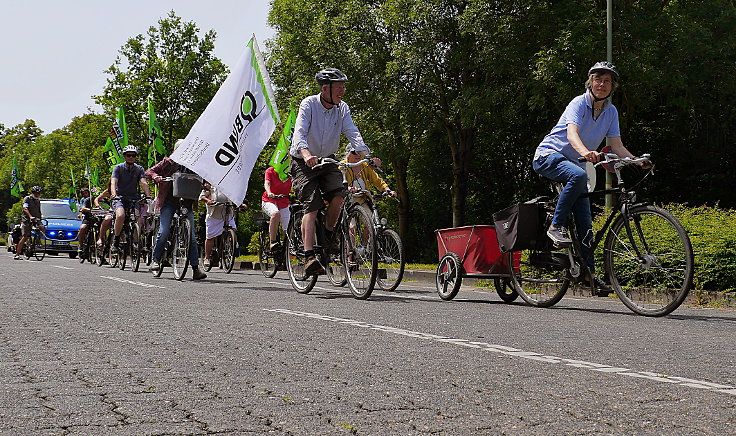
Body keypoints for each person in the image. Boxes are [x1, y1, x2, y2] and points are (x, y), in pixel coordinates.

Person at [532, 61, 641, 291]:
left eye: (607, 81)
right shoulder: (579, 103)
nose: (602, 84)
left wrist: (636, 160)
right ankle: (556, 227)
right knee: (579, 176)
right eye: (598, 79)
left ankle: (588, 274)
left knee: (585, 220)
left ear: (613, 86)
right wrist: (586, 152)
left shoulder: (611, 112)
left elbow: (616, 145)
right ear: (590, 83)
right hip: (548, 155)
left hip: (573, 164)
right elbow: (572, 134)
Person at [290, 67, 379, 275]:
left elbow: (352, 132)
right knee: (311, 206)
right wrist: (306, 154)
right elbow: (300, 134)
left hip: (327, 160)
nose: (342, 91)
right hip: (304, 161)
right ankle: (309, 255)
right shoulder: (309, 104)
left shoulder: (342, 108)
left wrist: (366, 155)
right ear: (325, 89)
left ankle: (329, 238)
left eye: (343, 87)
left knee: (340, 195)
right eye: (338, 87)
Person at [146, 139, 206, 280]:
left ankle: (196, 269)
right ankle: (155, 260)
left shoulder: (195, 165)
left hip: (186, 203)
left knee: (191, 236)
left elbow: (205, 176)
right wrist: (156, 177)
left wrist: (206, 183)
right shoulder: (168, 163)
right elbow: (149, 171)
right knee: (164, 231)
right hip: (169, 202)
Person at [110, 145, 150, 252]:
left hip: (134, 198)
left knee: (138, 219)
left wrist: (148, 196)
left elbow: (143, 182)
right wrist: (114, 194)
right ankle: (116, 240)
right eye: (128, 155)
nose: (131, 157)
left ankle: (137, 242)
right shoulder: (118, 168)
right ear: (124, 156)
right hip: (120, 198)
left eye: (133, 155)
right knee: (120, 215)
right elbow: (113, 182)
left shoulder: (139, 169)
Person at [199, 181, 243, 269]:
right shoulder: (211, 186)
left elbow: (235, 198)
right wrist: (208, 201)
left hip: (226, 213)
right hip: (214, 215)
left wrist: (241, 204)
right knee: (210, 237)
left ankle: (230, 247)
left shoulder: (229, 186)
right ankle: (207, 257)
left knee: (233, 229)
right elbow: (202, 196)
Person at [343, 150, 396, 217]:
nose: (358, 155)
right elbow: (338, 182)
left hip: (362, 199)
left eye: (360, 153)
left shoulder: (364, 165)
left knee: (370, 222)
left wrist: (387, 190)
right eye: (354, 152)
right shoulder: (342, 165)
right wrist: (348, 188)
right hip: (348, 200)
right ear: (348, 154)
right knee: (352, 227)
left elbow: (377, 180)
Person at [261, 166, 292, 252]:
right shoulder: (270, 171)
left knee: (288, 228)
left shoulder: (290, 172)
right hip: (269, 200)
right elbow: (267, 183)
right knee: (276, 214)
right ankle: (272, 242)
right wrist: (269, 192)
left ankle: (286, 249)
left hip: (284, 202)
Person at [15, 186, 45, 260]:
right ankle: (17, 254)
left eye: (39, 193)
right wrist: (30, 216)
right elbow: (25, 208)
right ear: (33, 193)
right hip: (27, 219)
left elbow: (38, 210)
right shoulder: (27, 198)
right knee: (25, 236)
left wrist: (40, 218)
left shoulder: (38, 200)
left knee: (42, 228)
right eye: (36, 193)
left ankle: (37, 241)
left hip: (36, 219)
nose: (37, 194)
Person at [76, 187, 93, 255]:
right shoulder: (84, 200)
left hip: (96, 217)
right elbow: (81, 208)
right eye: (83, 193)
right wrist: (80, 214)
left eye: (86, 193)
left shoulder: (97, 199)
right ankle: (80, 244)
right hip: (87, 216)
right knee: (83, 228)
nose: (85, 194)